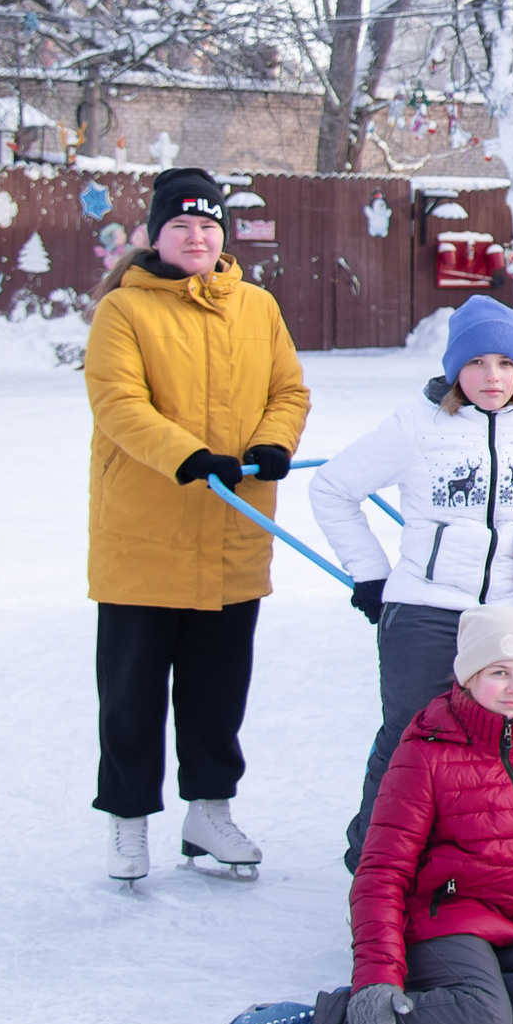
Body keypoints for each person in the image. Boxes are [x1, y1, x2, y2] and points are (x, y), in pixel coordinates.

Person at [206, 608, 513, 1024]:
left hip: (509, 926)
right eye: (499, 673)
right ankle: (313, 1020)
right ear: (468, 677)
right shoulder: (426, 752)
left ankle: (460, 991)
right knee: (482, 1018)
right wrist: (376, 978)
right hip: (440, 916)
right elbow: (381, 872)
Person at [84, 166, 311, 884]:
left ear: (224, 234)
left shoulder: (257, 306)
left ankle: (208, 811)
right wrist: (186, 454)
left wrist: (275, 441)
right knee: (133, 693)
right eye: (181, 225)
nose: (195, 236)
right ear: (155, 234)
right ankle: (128, 820)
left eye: (208, 225)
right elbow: (118, 403)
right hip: (146, 537)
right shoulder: (124, 311)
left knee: (217, 690)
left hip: (233, 534)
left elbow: (288, 388)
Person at [311, 294, 513, 871]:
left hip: (509, 612)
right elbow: (332, 488)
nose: (492, 377)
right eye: (477, 363)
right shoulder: (416, 424)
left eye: (505, 364)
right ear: (455, 367)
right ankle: (374, 867)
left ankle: (469, 867)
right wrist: (371, 575)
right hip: (428, 608)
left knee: (496, 743)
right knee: (410, 738)